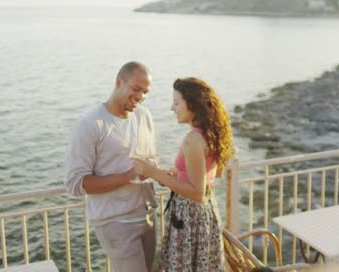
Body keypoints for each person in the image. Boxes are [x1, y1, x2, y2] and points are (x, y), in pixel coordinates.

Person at [133, 77, 235, 272]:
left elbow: (196, 192)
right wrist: (177, 175)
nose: (172, 108)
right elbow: (212, 175)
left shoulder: (193, 140)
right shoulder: (209, 133)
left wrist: (154, 172)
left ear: (192, 105)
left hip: (189, 217)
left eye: (177, 102)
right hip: (205, 213)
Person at [64, 61, 157, 272]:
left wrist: (158, 172)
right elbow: (75, 183)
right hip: (116, 222)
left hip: (149, 215)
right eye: (136, 89)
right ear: (118, 82)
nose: (140, 97)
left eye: (145, 92)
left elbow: (151, 160)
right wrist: (128, 176)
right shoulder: (90, 124)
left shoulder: (144, 117)